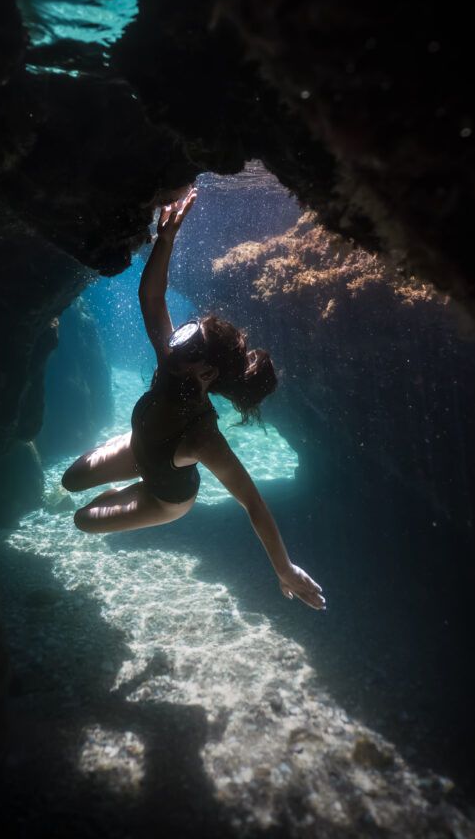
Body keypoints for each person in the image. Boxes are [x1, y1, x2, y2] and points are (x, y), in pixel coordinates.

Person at [63, 186, 326, 611]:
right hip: (140, 448)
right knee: (69, 481)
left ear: (205, 372)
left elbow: (253, 502)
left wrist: (284, 568)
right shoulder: (173, 361)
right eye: (186, 333)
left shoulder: (202, 436)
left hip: (164, 496)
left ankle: (133, 490)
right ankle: (128, 470)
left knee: (83, 519)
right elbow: (150, 297)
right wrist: (165, 240)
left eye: (189, 344)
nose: (175, 342)